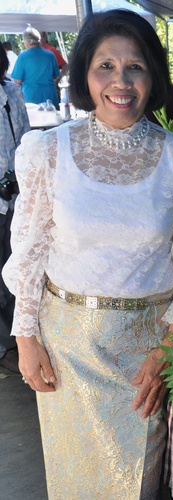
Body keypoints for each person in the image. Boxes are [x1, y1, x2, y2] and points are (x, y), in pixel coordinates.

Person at [2, 9, 173, 498]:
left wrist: (167, 348)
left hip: (145, 356)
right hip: (64, 348)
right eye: (105, 66)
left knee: (135, 485)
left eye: (135, 67)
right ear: (84, 73)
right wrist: (26, 338)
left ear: (153, 75)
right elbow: (30, 249)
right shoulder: (48, 151)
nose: (120, 81)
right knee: (73, 485)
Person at [0, 47, 30, 374]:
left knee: (14, 266)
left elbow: (24, 139)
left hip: (14, 199)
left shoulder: (12, 92)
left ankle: (16, 337)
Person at [11, 26, 60, 106]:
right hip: (50, 96)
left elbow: (17, 81)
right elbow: (56, 75)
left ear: (26, 42)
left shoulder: (23, 57)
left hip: (31, 97)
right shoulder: (50, 55)